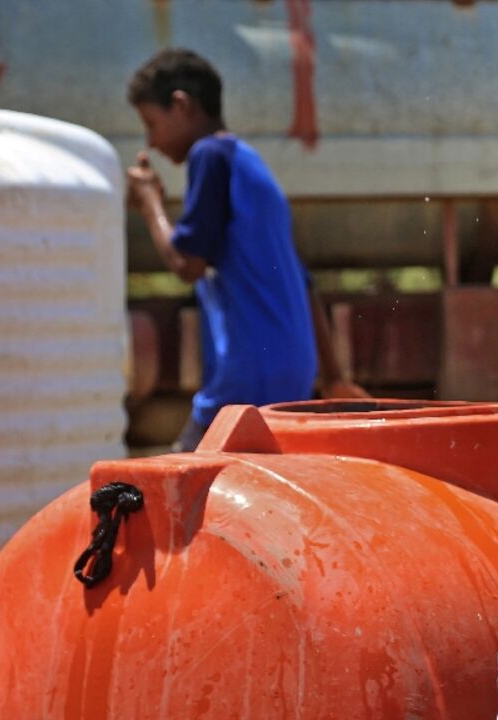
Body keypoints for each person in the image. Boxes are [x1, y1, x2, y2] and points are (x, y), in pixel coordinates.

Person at [125, 48, 366, 452]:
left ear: (181, 105)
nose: (151, 140)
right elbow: (302, 281)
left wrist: (149, 203)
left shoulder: (208, 156)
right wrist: (333, 374)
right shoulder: (251, 165)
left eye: (152, 123)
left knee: (182, 488)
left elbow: (188, 264)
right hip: (291, 373)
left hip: (245, 379)